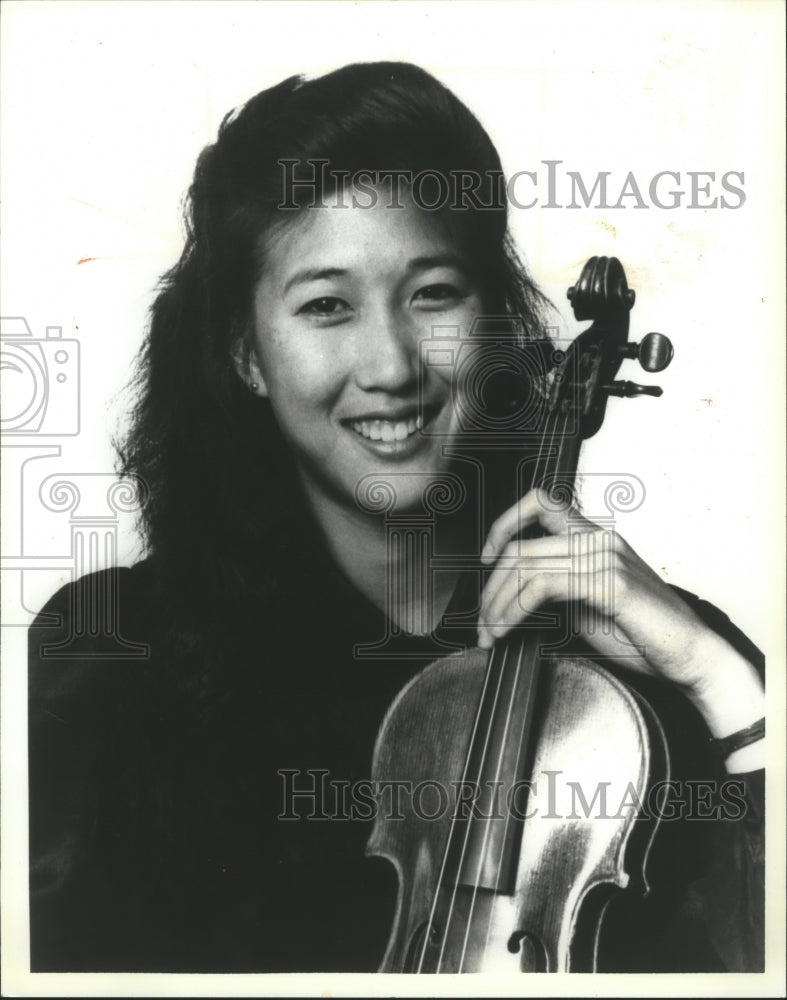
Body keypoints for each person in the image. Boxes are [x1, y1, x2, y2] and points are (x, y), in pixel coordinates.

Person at [28, 61, 765, 974]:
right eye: (326, 306)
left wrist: (715, 679)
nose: (391, 365)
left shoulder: (656, 668)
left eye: (433, 294)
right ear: (246, 354)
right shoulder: (109, 664)